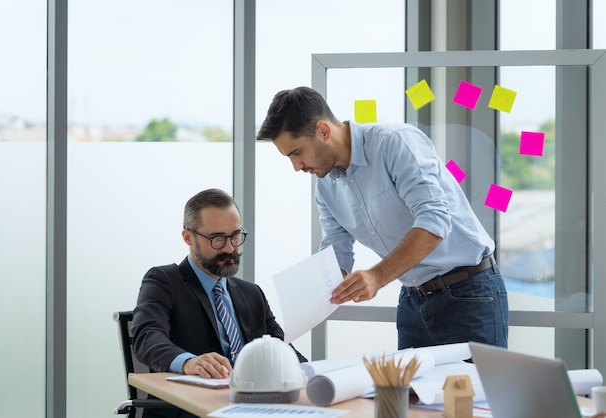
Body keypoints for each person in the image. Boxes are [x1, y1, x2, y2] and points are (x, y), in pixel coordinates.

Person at [257, 86, 509, 350]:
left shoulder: (395, 143)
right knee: (407, 392)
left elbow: (434, 220)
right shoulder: (326, 188)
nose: (296, 167)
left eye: (296, 153)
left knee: (474, 391)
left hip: (469, 293)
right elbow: (337, 249)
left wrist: (377, 277)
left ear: (323, 130)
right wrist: (307, 301)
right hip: (413, 301)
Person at [132, 188, 307, 418]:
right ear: (188, 237)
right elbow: (147, 336)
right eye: (217, 239)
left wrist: (316, 375)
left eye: (235, 236)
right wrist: (189, 362)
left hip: (253, 409)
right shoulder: (164, 281)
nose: (230, 248)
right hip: (191, 409)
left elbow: (282, 349)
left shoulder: (252, 294)